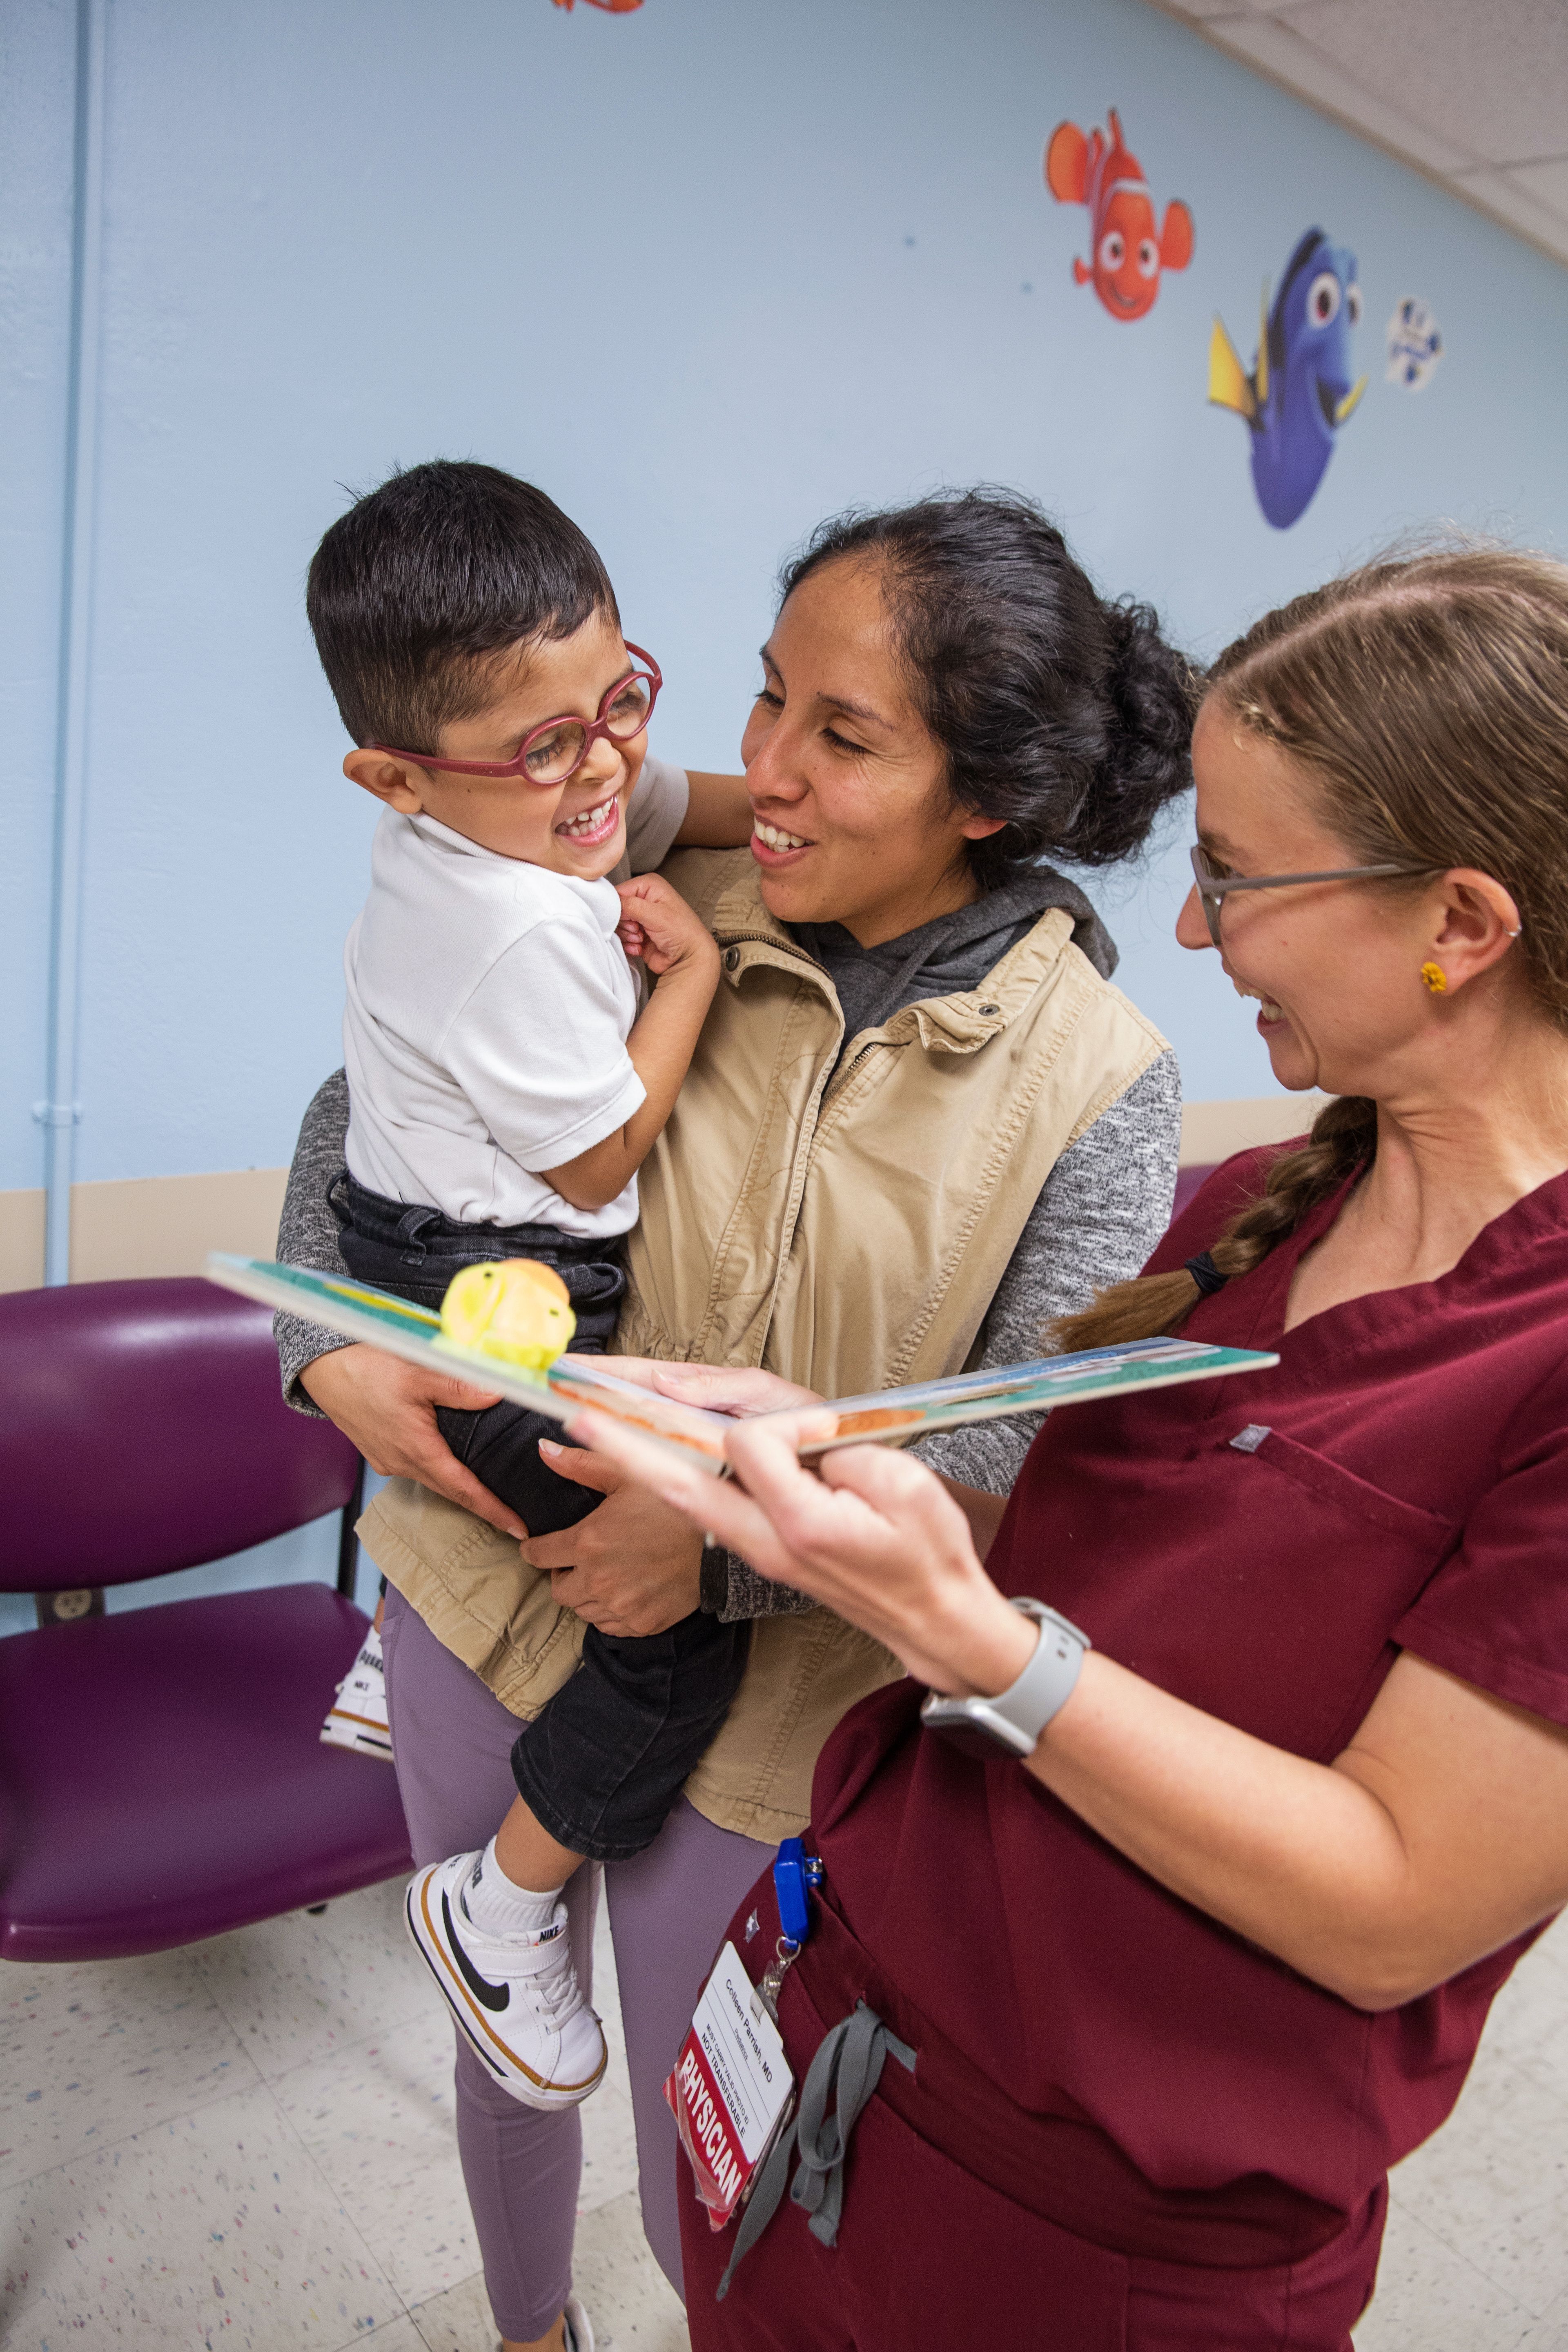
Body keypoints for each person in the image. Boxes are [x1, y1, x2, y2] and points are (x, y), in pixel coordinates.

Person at [575, 544, 1568, 2351]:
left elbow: (1395, 1905)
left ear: (1467, 923)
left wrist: (977, 1644)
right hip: (857, 2059)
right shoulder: (1276, 1203)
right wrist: (837, 1443)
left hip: (1093, 2245)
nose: (1190, 934)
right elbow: (1111, 1542)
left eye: (1240, 879)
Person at [274, 489, 1194, 2352]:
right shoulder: (634, 885)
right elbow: (356, 1127)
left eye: (838, 735)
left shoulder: (1098, 1088)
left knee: (726, 2151)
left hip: (772, 1724)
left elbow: (1018, 1465)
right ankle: (529, 2331)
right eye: (765, 696)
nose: (753, 766)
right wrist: (313, 1353)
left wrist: (715, 1543)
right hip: (479, 1602)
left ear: (986, 795)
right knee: (505, 2034)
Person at [298, 460, 767, 2115]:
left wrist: (761, 812)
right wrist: (698, 974)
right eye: (550, 743)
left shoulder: (501, 804)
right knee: (671, 1638)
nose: (607, 765)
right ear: (393, 776)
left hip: (412, 1228)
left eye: (621, 693)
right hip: (500, 1279)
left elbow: (660, 802)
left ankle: (386, 1640)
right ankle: (496, 1914)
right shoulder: (506, 929)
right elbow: (598, 1162)